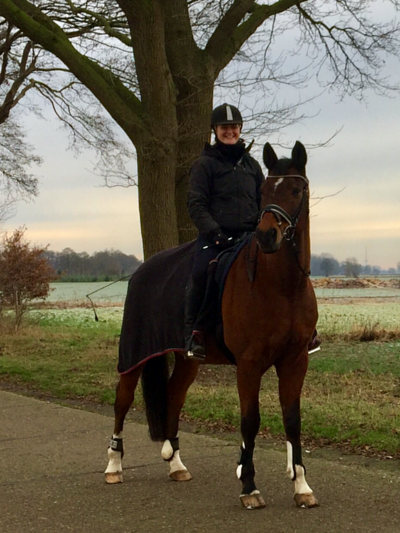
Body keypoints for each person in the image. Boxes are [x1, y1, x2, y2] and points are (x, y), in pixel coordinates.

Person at [185, 103, 265, 360]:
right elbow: (196, 203)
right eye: (224, 127)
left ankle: (302, 329)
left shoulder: (252, 166)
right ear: (215, 130)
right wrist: (215, 232)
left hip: (250, 238)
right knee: (200, 273)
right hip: (216, 238)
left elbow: (264, 201)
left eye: (233, 127)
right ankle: (196, 333)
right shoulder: (204, 164)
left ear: (240, 129)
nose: (229, 131)